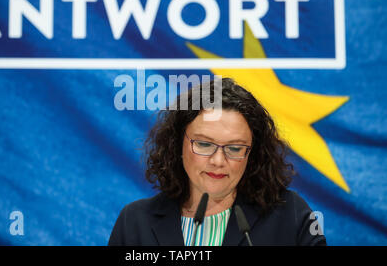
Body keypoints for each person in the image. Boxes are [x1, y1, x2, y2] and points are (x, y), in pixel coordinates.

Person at [108, 77, 326, 246]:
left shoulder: (290, 215)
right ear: (178, 145)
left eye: (234, 148)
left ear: (252, 154)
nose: (218, 160)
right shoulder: (135, 222)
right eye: (204, 144)